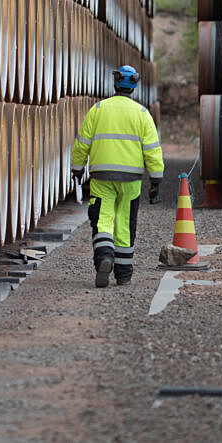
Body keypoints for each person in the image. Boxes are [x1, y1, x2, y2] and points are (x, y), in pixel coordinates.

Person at [71, 65, 164, 288]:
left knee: (103, 218)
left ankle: (104, 257)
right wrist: (156, 180)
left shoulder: (98, 109)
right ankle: (124, 275)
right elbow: (152, 150)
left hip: (102, 176)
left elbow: (82, 143)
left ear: (115, 83)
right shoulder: (142, 114)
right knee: (125, 224)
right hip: (131, 180)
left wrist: (77, 168)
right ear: (134, 86)